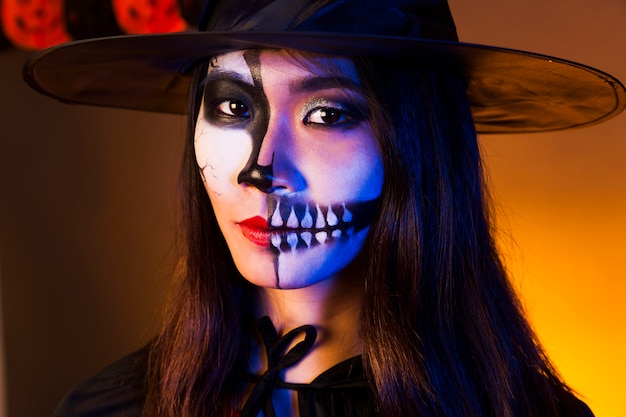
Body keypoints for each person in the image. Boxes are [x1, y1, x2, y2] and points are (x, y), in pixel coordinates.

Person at [23, 0, 626, 416]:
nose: (263, 167)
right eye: (232, 108)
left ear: (417, 146)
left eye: (328, 115)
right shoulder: (104, 409)